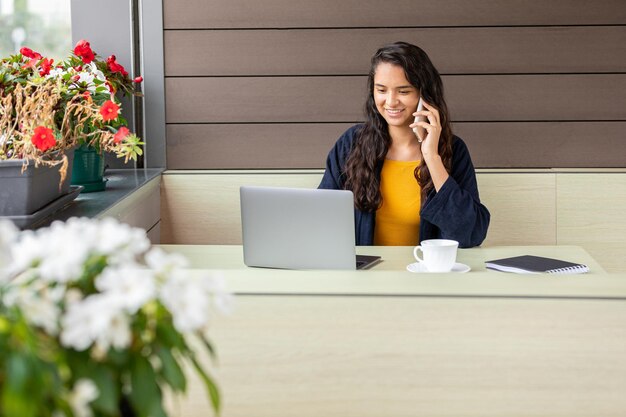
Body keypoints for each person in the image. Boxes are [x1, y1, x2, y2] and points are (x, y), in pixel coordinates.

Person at [319, 41, 490, 248]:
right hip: (364, 277)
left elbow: (470, 235)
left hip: (427, 277)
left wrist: (432, 157)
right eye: (381, 90)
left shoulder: (454, 150)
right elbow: (320, 217)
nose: (390, 102)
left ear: (424, 94)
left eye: (403, 91)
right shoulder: (351, 143)